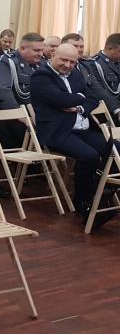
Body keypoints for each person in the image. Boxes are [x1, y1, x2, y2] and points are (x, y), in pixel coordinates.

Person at [31, 44, 115, 228]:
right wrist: (78, 97)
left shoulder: (76, 74)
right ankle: (82, 202)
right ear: (53, 54)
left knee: (113, 148)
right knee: (90, 156)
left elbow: (94, 98)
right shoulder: (41, 76)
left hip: (82, 128)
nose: (68, 65)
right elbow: (61, 99)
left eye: (73, 61)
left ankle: (99, 194)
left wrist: (78, 105)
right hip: (58, 131)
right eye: (64, 60)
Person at [0, 32, 45, 109]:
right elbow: (2, 91)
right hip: (17, 113)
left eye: (42, 50)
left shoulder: (42, 63)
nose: (40, 54)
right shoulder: (7, 61)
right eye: (36, 50)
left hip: (40, 111)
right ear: (22, 48)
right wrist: (20, 115)